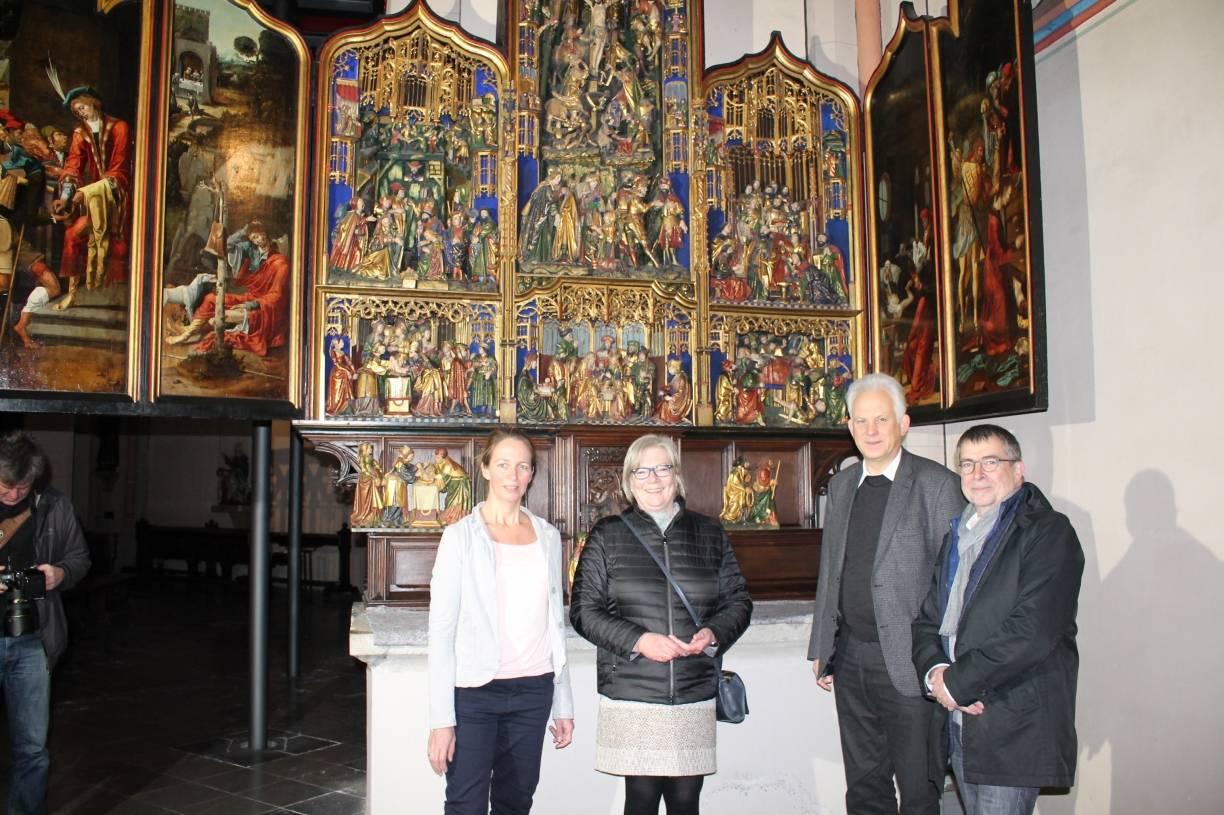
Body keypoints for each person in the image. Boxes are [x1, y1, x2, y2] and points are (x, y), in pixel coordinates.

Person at [806, 372, 964, 815]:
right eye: (861, 421)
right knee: (864, 788)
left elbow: (954, 584)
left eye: (882, 420)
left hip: (912, 661)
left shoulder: (937, 486)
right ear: (849, 426)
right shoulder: (841, 486)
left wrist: (945, 660)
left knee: (918, 790)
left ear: (904, 423)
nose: (871, 431)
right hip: (852, 657)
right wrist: (824, 645)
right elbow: (831, 571)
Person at [570, 434, 753, 815]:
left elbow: (738, 601)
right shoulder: (609, 535)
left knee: (687, 801)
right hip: (636, 689)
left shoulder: (710, 533)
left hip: (692, 688)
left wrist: (713, 633)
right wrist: (640, 640)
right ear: (628, 480)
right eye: (642, 471)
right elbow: (584, 611)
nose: (653, 479)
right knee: (641, 800)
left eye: (663, 468)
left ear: (677, 475)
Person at [912, 425, 1083, 815]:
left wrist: (958, 682)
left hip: (1011, 724)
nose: (977, 474)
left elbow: (1032, 632)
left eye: (991, 462)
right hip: (957, 718)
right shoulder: (957, 535)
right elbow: (926, 622)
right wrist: (936, 672)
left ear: (1018, 469)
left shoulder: (1048, 532)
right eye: (967, 465)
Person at [427, 430, 574, 814]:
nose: (514, 475)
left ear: (531, 474)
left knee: (516, 802)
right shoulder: (460, 538)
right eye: (504, 464)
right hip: (475, 693)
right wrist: (441, 720)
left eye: (523, 466)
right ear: (486, 469)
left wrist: (563, 702)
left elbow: (553, 625)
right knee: (465, 804)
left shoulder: (548, 536)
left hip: (533, 690)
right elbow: (441, 634)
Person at [0, 431, 91, 814]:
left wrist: (59, 575)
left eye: (22, 487)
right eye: (6, 486)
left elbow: (80, 559)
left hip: (32, 640)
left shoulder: (54, 506)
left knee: (33, 749)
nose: (13, 495)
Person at [51, 86, 132, 308]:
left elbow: (119, 173)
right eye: (77, 111)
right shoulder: (81, 134)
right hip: (93, 201)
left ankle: (119, 300)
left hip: (121, 200)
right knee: (72, 235)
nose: (81, 113)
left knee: (120, 246)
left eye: (83, 107)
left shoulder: (120, 127)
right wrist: (67, 196)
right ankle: (73, 293)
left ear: (94, 103)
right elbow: (73, 166)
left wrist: (83, 193)